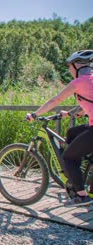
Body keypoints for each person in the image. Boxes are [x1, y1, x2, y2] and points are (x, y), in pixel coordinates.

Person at [26, 49, 93, 207]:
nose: (69, 70)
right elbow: (87, 103)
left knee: (68, 157)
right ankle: (77, 170)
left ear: (77, 65)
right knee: (71, 133)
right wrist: (70, 113)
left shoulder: (79, 82)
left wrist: (35, 114)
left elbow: (55, 100)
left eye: (70, 66)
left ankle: (81, 196)